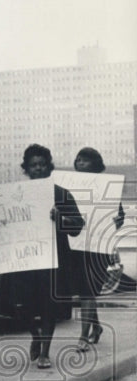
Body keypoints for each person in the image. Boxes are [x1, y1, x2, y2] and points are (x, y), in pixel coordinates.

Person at [0, 144, 84, 369]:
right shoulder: (15, 195)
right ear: (27, 169)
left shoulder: (61, 193)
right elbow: (3, 229)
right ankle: (36, 335)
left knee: (48, 306)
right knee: (20, 307)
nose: (39, 169)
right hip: (25, 260)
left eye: (42, 164)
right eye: (34, 165)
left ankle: (45, 352)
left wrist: (61, 218)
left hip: (53, 261)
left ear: (49, 167)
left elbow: (78, 226)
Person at [69, 147, 125, 352]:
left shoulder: (106, 188)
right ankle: (97, 327)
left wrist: (117, 221)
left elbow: (118, 218)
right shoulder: (69, 187)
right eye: (78, 159)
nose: (79, 163)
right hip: (76, 246)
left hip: (98, 247)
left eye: (84, 160)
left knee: (88, 291)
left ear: (95, 164)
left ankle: (83, 336)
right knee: (86, 291)